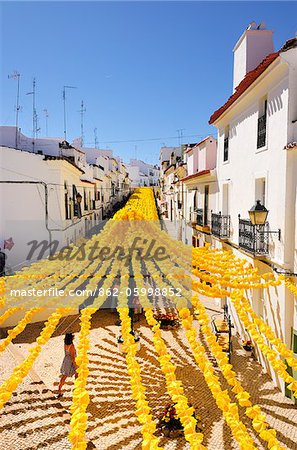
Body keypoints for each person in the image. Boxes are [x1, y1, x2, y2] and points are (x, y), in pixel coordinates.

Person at [57, 333, 78, 398]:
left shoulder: (65, 344)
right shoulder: (71, 346)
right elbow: (73, 357)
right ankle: (77, 389)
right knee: (77, 373)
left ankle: (59, 390)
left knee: (64, 377)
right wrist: (76, 365)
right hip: (70, 362)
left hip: (66, 360)